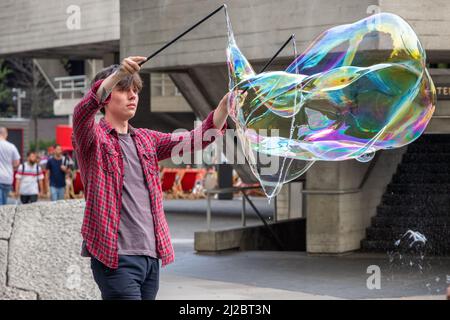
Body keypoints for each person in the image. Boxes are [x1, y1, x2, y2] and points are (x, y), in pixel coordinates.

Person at [72, 56, 231, 300]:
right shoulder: (93, 139)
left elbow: (196, 139)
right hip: (115, 258)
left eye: (135, 90)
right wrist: (117, 74)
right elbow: (82, 112)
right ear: (105, 99)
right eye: (124, 90)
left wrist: (223, 108)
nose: (132, 96)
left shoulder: (147, 139)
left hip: (150, 258)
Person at [0, 127, 20, 205]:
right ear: (6, 134)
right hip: (7, 178)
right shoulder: (12, 146)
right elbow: (17, 163)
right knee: (4, 204)